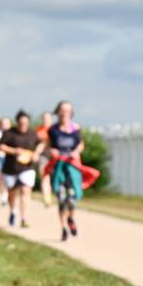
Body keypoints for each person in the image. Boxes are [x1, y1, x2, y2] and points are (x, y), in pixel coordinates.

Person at [46, 102, 87, 241]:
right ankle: (63, 228)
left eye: (67, 111)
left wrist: (76, 152)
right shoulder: (53, 130)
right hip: (58, 168)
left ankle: (71, 218)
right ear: (57, 112)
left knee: (73, 198)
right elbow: (48, 146)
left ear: (71, 113)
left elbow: (81, 144)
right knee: (62, 199)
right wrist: (52, 151)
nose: (64, 113)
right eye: (62, 111)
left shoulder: (76, 128)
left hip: (73, 167)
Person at [0, 110, 44, 228]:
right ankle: (13, 210)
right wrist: (14, 151)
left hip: (27, 168)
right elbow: (0, 146)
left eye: (25, 123)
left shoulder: (32, 133)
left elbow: (40, 144)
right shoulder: (9, 133)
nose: (23, 125)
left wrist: (36, 153)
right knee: (12, 193)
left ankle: (24, 218)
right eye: (21, 123)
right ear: (17, 122)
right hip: (10, 168)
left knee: (25, 191)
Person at [36, 111, 54, 207]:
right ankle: (47, 199)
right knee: (44, 176)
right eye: (44, 118)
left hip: (54, 157)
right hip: (43, 156)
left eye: (47, 118)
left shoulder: (55, 129)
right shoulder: (39, 129)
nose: (45, 120)